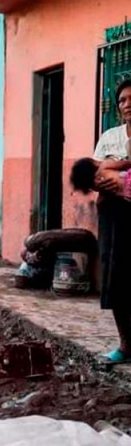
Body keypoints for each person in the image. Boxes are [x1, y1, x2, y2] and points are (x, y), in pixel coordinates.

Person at [93, 79, 131, 364]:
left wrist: (114, 168)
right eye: (122, 100)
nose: (127, 104)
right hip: (114, 215)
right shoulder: (110, 136)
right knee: (117, 277)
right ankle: (125, 345)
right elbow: (95, 175)